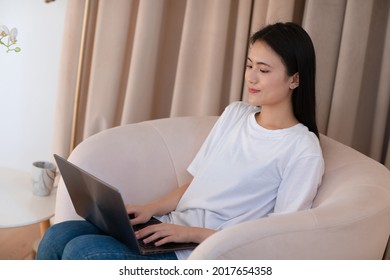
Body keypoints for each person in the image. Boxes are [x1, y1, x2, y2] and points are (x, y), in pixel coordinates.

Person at [36, 22, 324, 260]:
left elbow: (282, 237)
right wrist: (151, 209)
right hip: (171, 230)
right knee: (58, 235)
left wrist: (191, 235)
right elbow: (199, 181)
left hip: (204, 252)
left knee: (81, 251)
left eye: (264, 70)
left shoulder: (301, 149)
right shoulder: (236, 114)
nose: (251, 77)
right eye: (250, 66)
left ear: (294, 80)